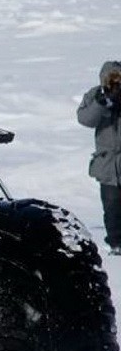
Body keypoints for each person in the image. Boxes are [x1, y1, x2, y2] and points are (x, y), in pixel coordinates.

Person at [78, 60, 121, 255]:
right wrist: (101, 102)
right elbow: (85, 119)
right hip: (107, 164)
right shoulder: (95, 95)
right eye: (111, 78)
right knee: (111, 208)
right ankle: (116, 245)